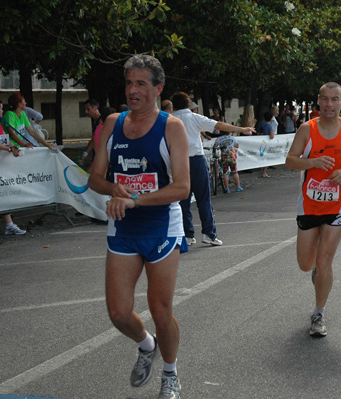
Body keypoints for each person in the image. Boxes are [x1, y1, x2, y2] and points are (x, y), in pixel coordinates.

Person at [87, 54, 190, 399]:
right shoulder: (114, 123)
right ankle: (147, 345)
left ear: (158, 89)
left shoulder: (170, 126)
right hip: (123, 228)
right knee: (118, 313)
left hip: (161, 226)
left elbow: (182, 188)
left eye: (141, 84)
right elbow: (95, 179)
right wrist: (114, 189)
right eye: (129, 83)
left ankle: (171, 374)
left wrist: (136, 200)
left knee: (161, 311)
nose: (133, 90)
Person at [286, 82, 341, 337]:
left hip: (338, 203)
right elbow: (290, 161)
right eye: (325, 99)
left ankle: (318, 313)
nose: (329, 105)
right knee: (305, 263)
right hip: (309, 203)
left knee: (325, 260)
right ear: (319, 101)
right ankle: (316, 271)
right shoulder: (307, 129)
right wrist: (312, 161)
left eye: (335, 100)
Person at [171, 91, 254, 246]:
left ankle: (187, 235)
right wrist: (242, 129)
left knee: (183, 200)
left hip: (177, 161)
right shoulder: (194, 117)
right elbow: (218, 125)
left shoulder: (169, 119)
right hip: (196, 159)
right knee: (203, 199)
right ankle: (208, 233)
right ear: (188, 104)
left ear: (173, 105)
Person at [0, 99, 26, 237]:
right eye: (0, 109)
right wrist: (9, 149)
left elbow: (4, 140)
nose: (2, 111)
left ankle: (9, 225)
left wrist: (14, 147)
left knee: (1, 193)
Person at [80, 99, 101, 165]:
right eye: (85, 109)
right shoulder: (96, 121)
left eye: (88, 109)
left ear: (95, 108)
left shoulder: (101, 122)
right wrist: (85, 155)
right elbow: (93, 139)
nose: (86, 112)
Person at [256, 112, 275, 178]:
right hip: (266, 143)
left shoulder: (261, 123)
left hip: (260, 142)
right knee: (266, 157)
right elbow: (272, 136)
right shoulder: (269, 126)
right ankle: (264, 172)